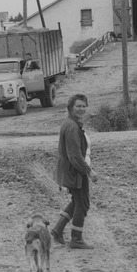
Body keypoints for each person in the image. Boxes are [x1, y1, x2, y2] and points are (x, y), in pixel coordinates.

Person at [51, 93, 98, 249]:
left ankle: (58, 229)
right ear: (70, 108)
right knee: (83, 204)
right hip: (74, 171)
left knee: (77, 202)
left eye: (84, 106)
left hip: (71, 170)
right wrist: (89, 171)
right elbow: (74, 156)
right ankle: (76, 239)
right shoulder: (71, 127)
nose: (81, 109)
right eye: (78, 106)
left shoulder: (71, 123)